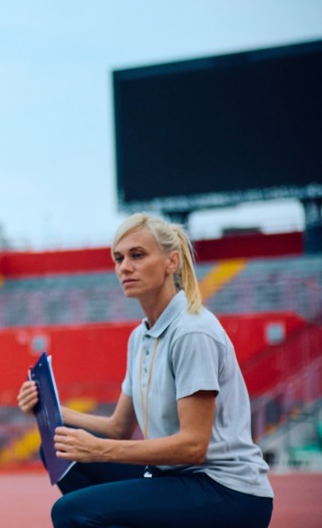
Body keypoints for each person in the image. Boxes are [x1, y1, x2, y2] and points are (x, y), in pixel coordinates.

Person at [16, 213, 274, 527]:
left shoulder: (192, 331)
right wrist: (50, 408)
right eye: (118, 258)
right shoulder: (140, 336)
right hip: (174, 477)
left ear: (172, 262)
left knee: (71, 512)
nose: (124, 267)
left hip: (227, 491)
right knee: (59, 451)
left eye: (137, 255)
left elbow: (193, 447)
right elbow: (118, 428)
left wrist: (100, 450)